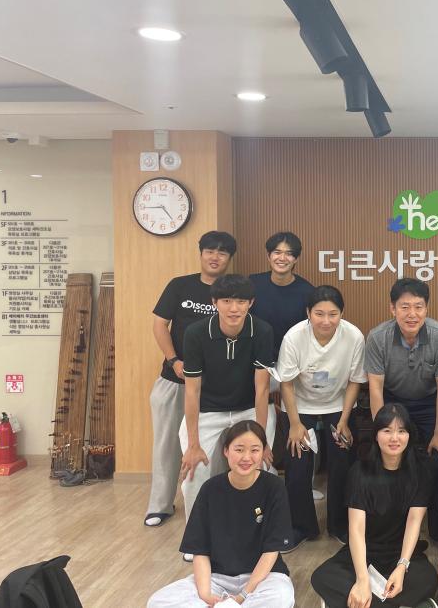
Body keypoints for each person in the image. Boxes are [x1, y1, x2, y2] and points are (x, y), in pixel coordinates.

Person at [147, 420, 295, 607]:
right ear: (226, 451)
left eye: (255, 450)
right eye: (239, 450)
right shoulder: (210, 489)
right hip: (217, 578)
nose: (246, 457)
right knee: (158, 602)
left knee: (280, 597)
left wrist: (242, 596)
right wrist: (205, 595)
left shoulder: (274, 487)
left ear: (264, 452)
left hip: (264, 578)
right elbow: (200, 550)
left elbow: (271, 551)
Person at [145, 230, 236, 528]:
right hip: (175, 380)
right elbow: (160, 325)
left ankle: (212, 504)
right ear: (201, 254)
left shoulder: (233, 292)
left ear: (229, 258)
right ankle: (160, 504)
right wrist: (174, 361)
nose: (215, 257)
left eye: (222, 252)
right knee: (167, 444)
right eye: (210, 251)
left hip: (213, 385)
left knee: (214, 449)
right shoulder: (180, 286)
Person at [311, 404, 438, 608]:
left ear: (409, 435)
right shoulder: (359, 472)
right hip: (365, 551)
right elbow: (356, 529)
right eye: (387, 430)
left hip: (401, 552)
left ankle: (360, 602)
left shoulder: (420, 471)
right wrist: (362, 579)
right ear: (376, 435)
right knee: (322, 577)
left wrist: (402, 567)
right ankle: (393, 601)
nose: (394, 438)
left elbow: (414, 521)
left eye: (401, 431)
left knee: (428, 579)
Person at [365, 277, 438, 540]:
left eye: (418, 307)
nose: (412, 314)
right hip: (393, 402)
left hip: (430, 403)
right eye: (404, 307)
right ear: (392, 309)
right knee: (388, 456)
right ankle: (392, 529)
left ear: (427, 308)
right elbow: (375, 388)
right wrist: (382, 431)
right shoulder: (378, 337)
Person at [179, 274, 276, 524]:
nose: (234, 309)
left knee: (260, 466)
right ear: (214, 302)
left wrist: (262, 442)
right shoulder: (195, 333)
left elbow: (262, 389)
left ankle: (256, 529)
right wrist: (193, 444)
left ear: (251, 303)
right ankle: (197, 534)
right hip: (207, 410)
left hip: (249, 409)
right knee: (194, 470)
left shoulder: (262, 331)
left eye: (241, 302)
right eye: (226, 301)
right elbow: (192, 391)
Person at [276, 285, 366, 551]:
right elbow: (286, 384)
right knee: (297, 467)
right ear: (308, 313)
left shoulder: (353, 336)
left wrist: (344, 420)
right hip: (300, 406)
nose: (326, 321)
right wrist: (295, 424)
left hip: (338, 405)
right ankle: (301, 527)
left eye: (333, 314)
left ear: (342, 314)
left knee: (342, 465)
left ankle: (340, 525)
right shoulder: (294, 337)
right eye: (319, 314)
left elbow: (355, 381)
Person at [249, 231, 315, 353]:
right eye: (277, 252)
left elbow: (309, 333)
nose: (282, 258)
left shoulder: (308, 292)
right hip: (255, 356)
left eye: (289, 254)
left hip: (292, 357)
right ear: (268, 256)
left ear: (296, 259)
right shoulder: (252, 284)